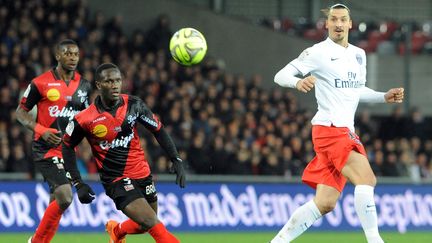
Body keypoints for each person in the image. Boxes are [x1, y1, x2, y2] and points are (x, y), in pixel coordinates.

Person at [271, 4, 404, 243]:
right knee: (367, 180)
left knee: (325, 203)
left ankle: (278, 241)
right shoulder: (318, 52)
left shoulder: (358, 54)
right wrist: (297, 83)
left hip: (340, 131)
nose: (339, 24)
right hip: (330, 129)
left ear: (350, 24)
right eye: (334, 19)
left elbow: (355, 91)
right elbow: (280, 75)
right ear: (327, 24)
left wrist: (383, 96)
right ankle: (375, 241)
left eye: (343, 19)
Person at [62, 63, 186, 243]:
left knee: (145, 225)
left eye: (118, 80)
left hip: (142, 173)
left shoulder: (134, 105)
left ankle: (117, 230)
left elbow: (158, 130)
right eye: (109, 81)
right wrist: (78, 182)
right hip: (116, 179)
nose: (114, 85)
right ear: (99, 85)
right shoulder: (85, 118)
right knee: (152, 221)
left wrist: (176, 159)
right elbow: (67, 146)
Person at [16, 39, 95, 243]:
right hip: (45, 149)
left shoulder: (84, 85)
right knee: (65, 196)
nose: (72, 57)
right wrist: (41, 130)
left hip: (67, 151)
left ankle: (38, 241)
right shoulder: (40, 83)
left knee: (57, 202)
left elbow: (84, 119)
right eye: (67, 53)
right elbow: (20, 113)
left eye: (76, 54)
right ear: (58, 56)